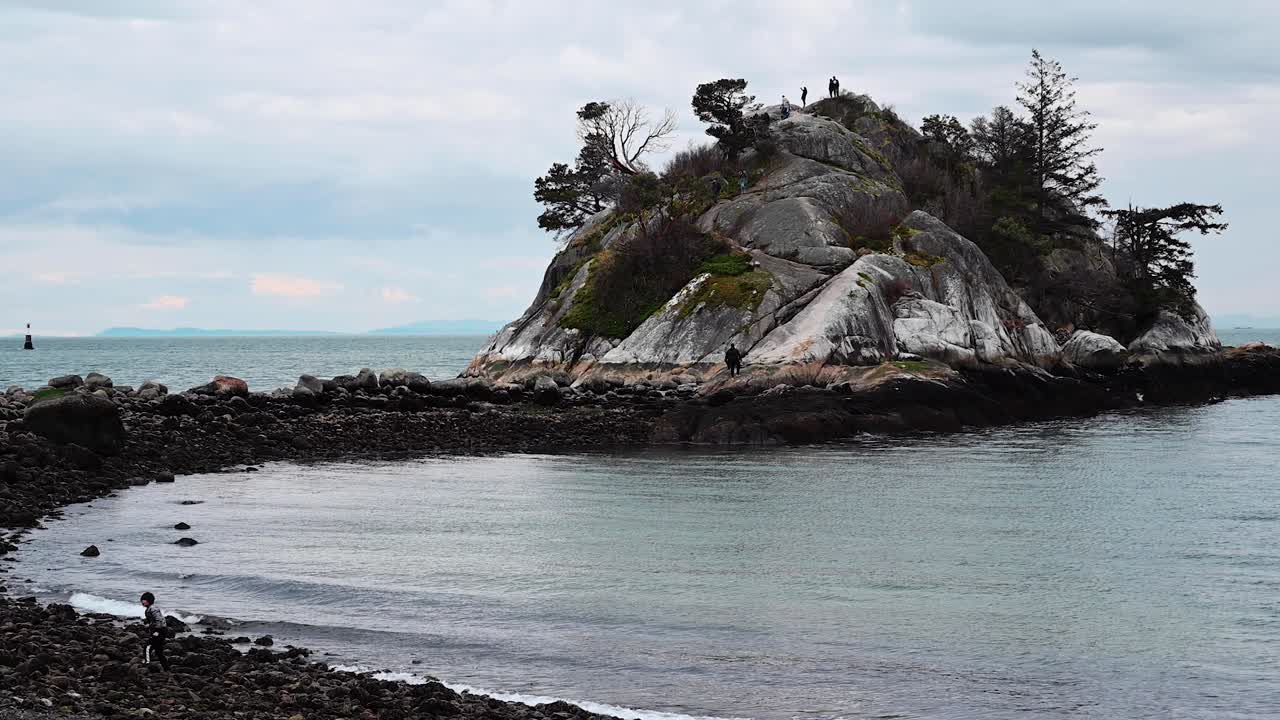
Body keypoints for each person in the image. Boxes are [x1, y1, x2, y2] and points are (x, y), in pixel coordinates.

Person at [140, 592, 170, 671]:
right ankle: (166, 668)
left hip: (159, 631)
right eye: (142, 600)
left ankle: (147, 663)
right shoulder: (149, 609)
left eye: (144, 600)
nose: (142, 602)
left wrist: (157, 631)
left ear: (149, 600)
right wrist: (147, 622)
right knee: (159, 651)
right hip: (161, 630)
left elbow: (159, 620)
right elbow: (153, 620)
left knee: (148, 646)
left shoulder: (153, 608)